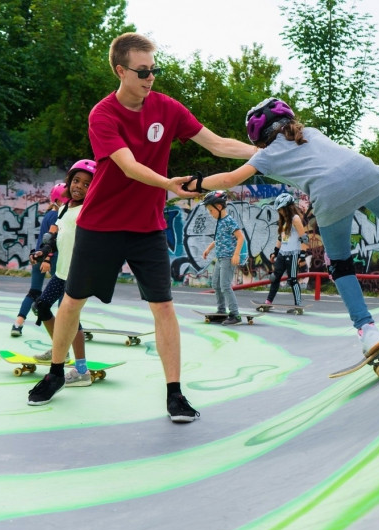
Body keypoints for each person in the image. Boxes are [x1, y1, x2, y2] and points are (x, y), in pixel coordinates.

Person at [26, 32, 256, 422]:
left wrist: (267, 152)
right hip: (101, 224)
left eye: (155, 70)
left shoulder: (167, 109)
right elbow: (128, 166)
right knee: (72, 300)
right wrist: (168, 184)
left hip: (147, 226)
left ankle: (175, 394)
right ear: (121, 70)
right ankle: (55, 373)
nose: (151, 78)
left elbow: (217, 144)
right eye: (143, 71)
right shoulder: (103, 114)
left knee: (164, 306)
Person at [183, 97, 379, 358]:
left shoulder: (265, 157)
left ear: (259, 137)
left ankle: (367, 330)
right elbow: (254, 149)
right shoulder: (309, 132)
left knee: (340, 263)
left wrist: (197, 184)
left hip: (329, 195)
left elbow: (231, 178)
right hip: (366, 172)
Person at [27, 160, 96, 390]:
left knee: (71, 318)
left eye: (87, 184)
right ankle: (61, 348)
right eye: (76, 181)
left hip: (79, 275)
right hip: (61, 272)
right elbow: (54, 236)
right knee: (42, 306)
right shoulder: (65, 207)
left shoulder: (91, 209)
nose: (79, 186)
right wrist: (43, 251)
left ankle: (83, 371)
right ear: (69, 181)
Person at [10, 183, 66, 337]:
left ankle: (17, 325)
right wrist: (48, 259)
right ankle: (65, 327)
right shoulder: (57, 215)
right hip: (51, 258)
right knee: (63, 292)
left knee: (34, 292)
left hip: (39, 255)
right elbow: (51, 239)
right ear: (59, 201)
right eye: (66, 200)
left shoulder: (48, 214)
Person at [201, 190, 245, 325]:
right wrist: (209, 248)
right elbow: (219, 239)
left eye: (211, 210)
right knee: (216, 284)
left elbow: (240, 237)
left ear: (219, 207)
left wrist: (236, 254)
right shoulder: (220, 222)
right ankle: (221, 311)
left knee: (225, 285)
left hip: (228, 258)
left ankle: (235, 315)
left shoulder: (228, 221)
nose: (210, 213)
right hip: (220, 258)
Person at [265, 192, 308, 307]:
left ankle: (298, 304)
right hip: (282, 254)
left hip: (293, 254)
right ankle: (268, 302)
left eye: (281, 209)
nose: (280, 211)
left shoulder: (295, 219)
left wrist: (302, 256)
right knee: (274, 278)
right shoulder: (284, 220)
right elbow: (281, 237)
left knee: (292, 280)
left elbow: (304, 238)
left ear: (288, 207)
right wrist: (275, 252)